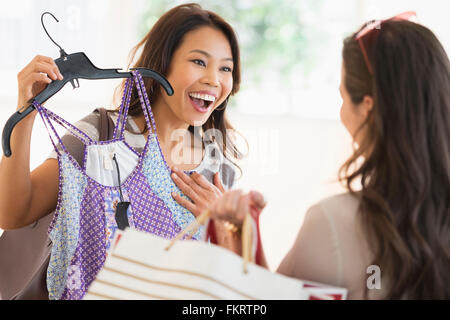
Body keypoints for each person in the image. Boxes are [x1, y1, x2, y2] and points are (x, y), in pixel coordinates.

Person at [178, 14, 450, 299]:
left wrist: (237, 244)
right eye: (198, 61)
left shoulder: (335, 223)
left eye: (343, 97)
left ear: (367, 107)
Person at [0, 3, 244, 299]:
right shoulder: (98, 135)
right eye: (199, 62)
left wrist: (228, 231)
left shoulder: (218, 167)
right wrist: (24, 115)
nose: (213, 80)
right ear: (163, 63)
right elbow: (14, 212)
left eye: (225, 68)